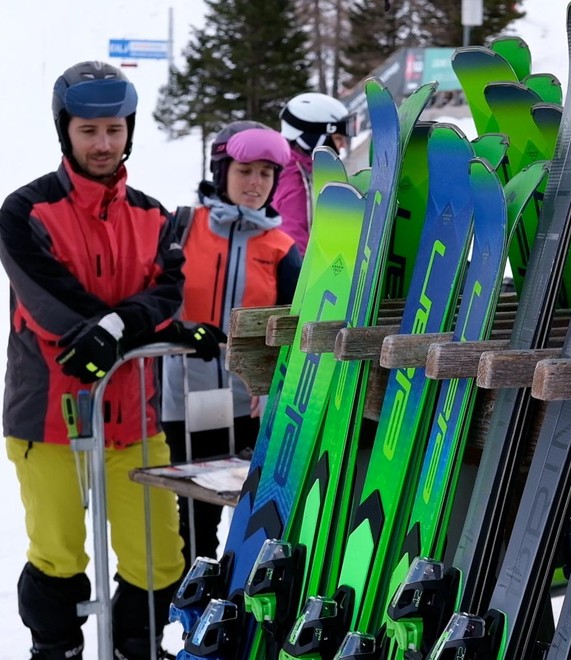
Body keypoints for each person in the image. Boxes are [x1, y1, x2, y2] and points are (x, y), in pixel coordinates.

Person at [0, 60, 214, 660]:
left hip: (135, 419)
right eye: (89, 130)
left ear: (130, 130)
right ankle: (56, 646)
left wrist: (123, 327)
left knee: (159, 555)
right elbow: (50, 304)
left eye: (114, 129)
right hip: (48, 415)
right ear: (64, 129)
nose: (103, 143)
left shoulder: (155, 216)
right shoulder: (25, 212)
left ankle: (134, 646)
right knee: (59, 551)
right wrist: (127, 324)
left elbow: (167, 292)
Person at [161, 120, 302, 569]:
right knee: (190, 526)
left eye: (266, 172)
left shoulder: (281, 248)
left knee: (248, 520)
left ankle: (234, 612)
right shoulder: (182, 228)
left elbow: (292, 331)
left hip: (248, 407)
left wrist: (274, 386)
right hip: (182, 402)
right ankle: (187, 618)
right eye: (245, 170)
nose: (255, 183)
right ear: (222, 171)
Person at [272, 92, 355, 253]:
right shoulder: (295, 178)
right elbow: (293, 239)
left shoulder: (300, 168)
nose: (343, 146)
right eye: (338, 138)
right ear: (313, 138)